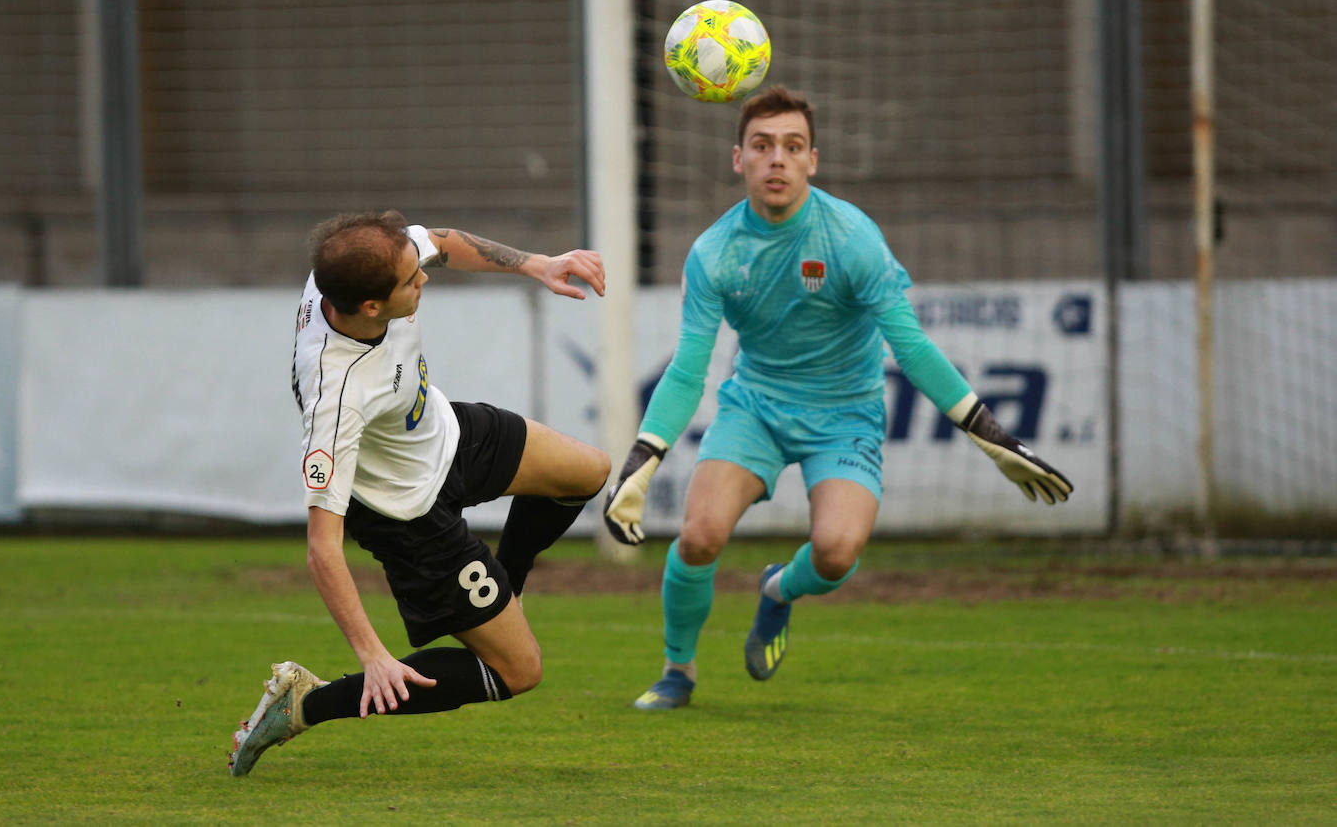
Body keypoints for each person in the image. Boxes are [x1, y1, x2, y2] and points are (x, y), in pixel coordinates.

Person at [602, 86, 1072, 710]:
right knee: (700, 535)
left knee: (836, 551)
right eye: (763, 146)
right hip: (756, 408)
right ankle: (677, 673)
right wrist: (645, 454)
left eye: (792, 147)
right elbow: (690, 368)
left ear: (813, 161)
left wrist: (991, 434)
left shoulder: (851, 237)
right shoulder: (714, 252)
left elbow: (911, 348)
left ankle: (778, 592)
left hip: (845, 414)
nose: (778, 160)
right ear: (737, 157)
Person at [229, 210, 611, 775]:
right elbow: (322, 549)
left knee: (587, 470)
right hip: (407, 514)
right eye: (411, 281)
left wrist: (538, 264)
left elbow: (440, 241)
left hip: (445, 434)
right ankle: (305, 702)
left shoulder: (356, 266)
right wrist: (373, 654)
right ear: (370, 308)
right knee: (519, 672)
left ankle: (511, 586)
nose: (424, 278)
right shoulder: (336, 396)